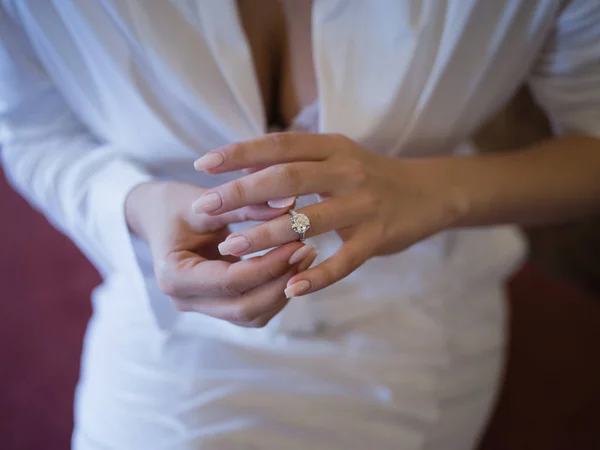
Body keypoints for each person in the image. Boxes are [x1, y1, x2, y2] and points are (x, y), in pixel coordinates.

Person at [1, 1, 599, 448]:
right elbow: (28, 127)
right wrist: (137, 205)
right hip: (169, 307)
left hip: (415, 304)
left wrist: (433, 194)